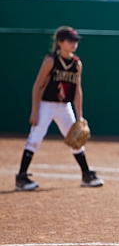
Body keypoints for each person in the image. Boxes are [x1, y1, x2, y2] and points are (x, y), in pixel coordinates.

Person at [15, 26, 104, 191]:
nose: (74, 44)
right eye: (70, 41)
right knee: (35, 138)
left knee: (76, 139)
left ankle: (86, 175)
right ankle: (21, 177)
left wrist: (80, 116)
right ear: (60, 42)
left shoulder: (77, 64)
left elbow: (77, 91)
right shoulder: (51, 61)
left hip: (64, 107)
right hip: (46, 105)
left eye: (75, 41)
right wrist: (35, 110)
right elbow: (37, 86)